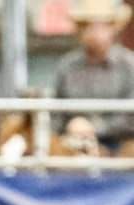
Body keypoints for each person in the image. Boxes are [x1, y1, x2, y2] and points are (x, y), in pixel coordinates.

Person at [53, 0, 134, 155]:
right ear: (80, 30)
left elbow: (130, 117)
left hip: (122, 143)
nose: (94, 32)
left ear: (113, 28)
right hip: (75, 143)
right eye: (88, 26)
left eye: (101, 26)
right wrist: (72, 127)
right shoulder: (67, 66)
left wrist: (94, 128)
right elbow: (57, 113)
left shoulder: (129, 65)